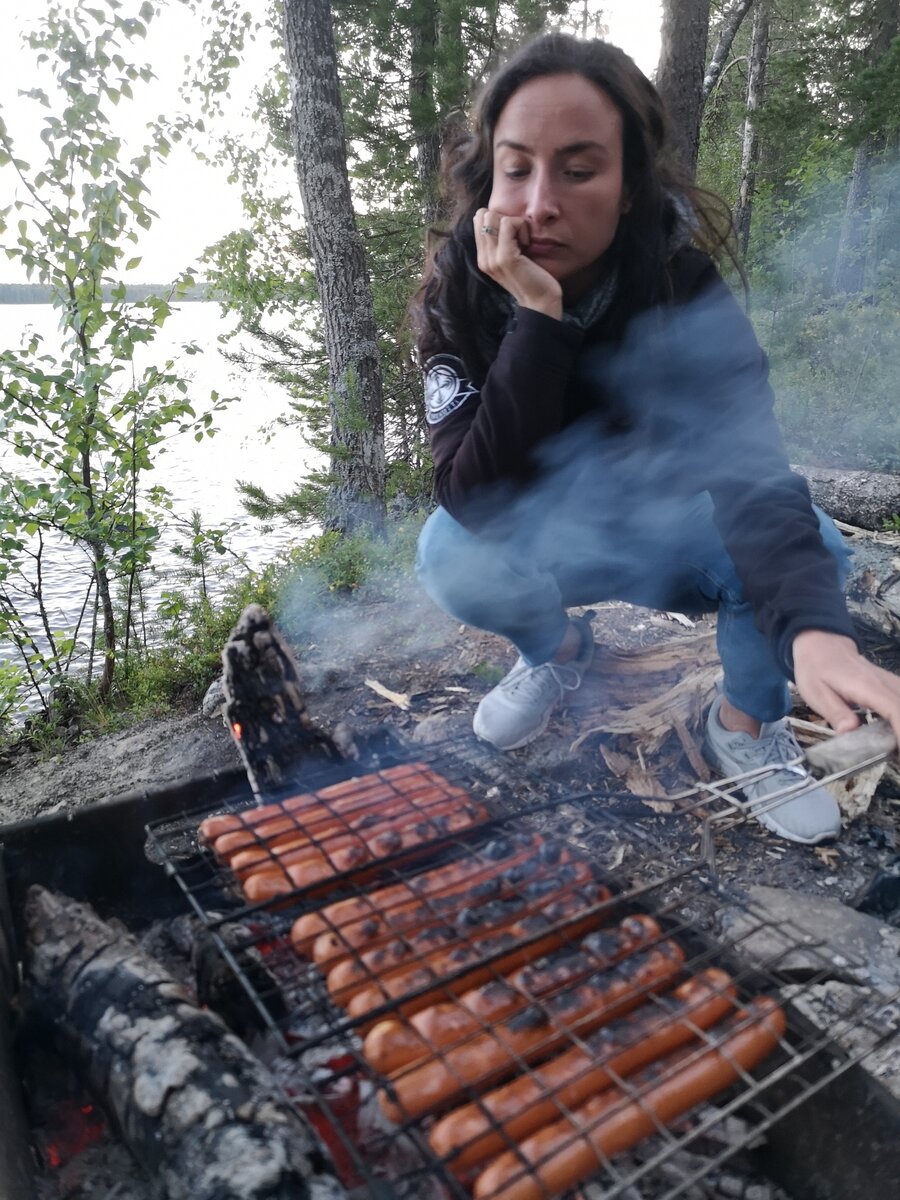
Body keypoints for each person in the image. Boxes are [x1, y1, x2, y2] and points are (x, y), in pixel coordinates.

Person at [411, 33, 900, 845]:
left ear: (630, 185)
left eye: (579, 168)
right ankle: (560, 652)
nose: (538, 205)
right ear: (489, 174)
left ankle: (743, 726)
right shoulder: (460, 293)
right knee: (449, 551)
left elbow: (752, 475)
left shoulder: (681, 288)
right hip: (552, 536)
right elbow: (477, 499)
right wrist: (539, 318)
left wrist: (814, 629)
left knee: (814, 546)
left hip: (678, 528)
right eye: (517, 166)